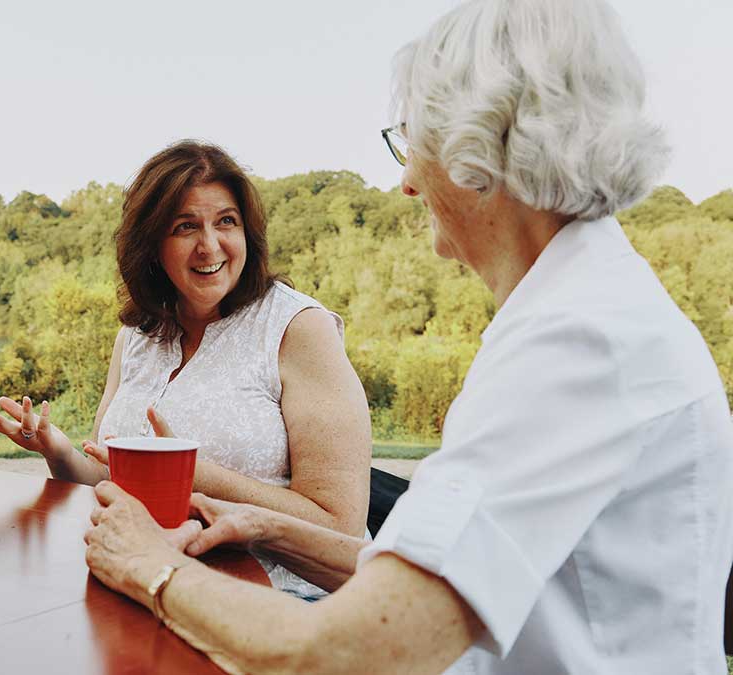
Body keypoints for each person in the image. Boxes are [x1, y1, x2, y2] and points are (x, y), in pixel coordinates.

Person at [82, 0, 733, 672]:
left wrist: (150, 566)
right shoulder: (588, 310)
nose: (407, 183)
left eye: (413, 141)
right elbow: (434, 572)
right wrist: (269, 526)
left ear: (482, 144)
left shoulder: (579, 346)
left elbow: (345, 651)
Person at [0, 141, 373, 596]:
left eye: (226, 221)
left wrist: (189, 474)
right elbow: (114, 484)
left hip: (282, 603)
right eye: (186, 227)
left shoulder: (298, 329)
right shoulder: (135, 339)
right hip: (149, 585)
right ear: (151, 246)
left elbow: (340, 530)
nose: (210, 246)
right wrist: (60, 452)